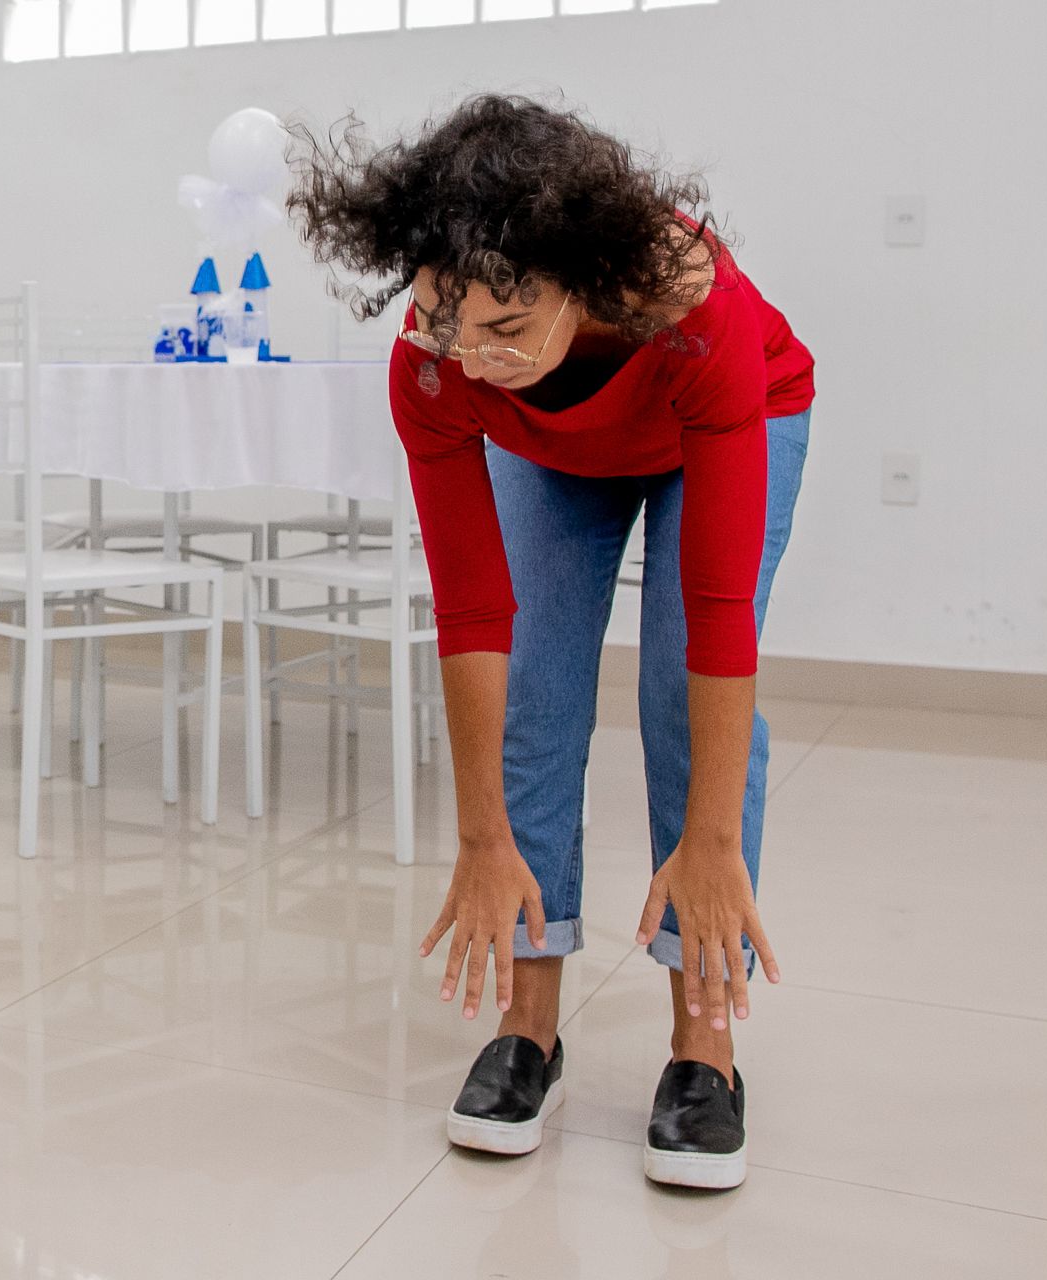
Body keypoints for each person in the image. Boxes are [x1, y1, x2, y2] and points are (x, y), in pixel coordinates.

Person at [290, 95, 815, 1190]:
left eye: (506, 328)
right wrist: (483, 836)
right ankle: (530, 1029)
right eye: (444, 318)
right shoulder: (437, 366)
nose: (472, 357)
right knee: (535, 687)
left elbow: (716, 615)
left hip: (731, 415)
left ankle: (703, 1049)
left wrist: (709, 842)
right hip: (559, 448)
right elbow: (478, 615)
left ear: (585, 281)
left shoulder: (695, 317)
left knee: (681, 693)